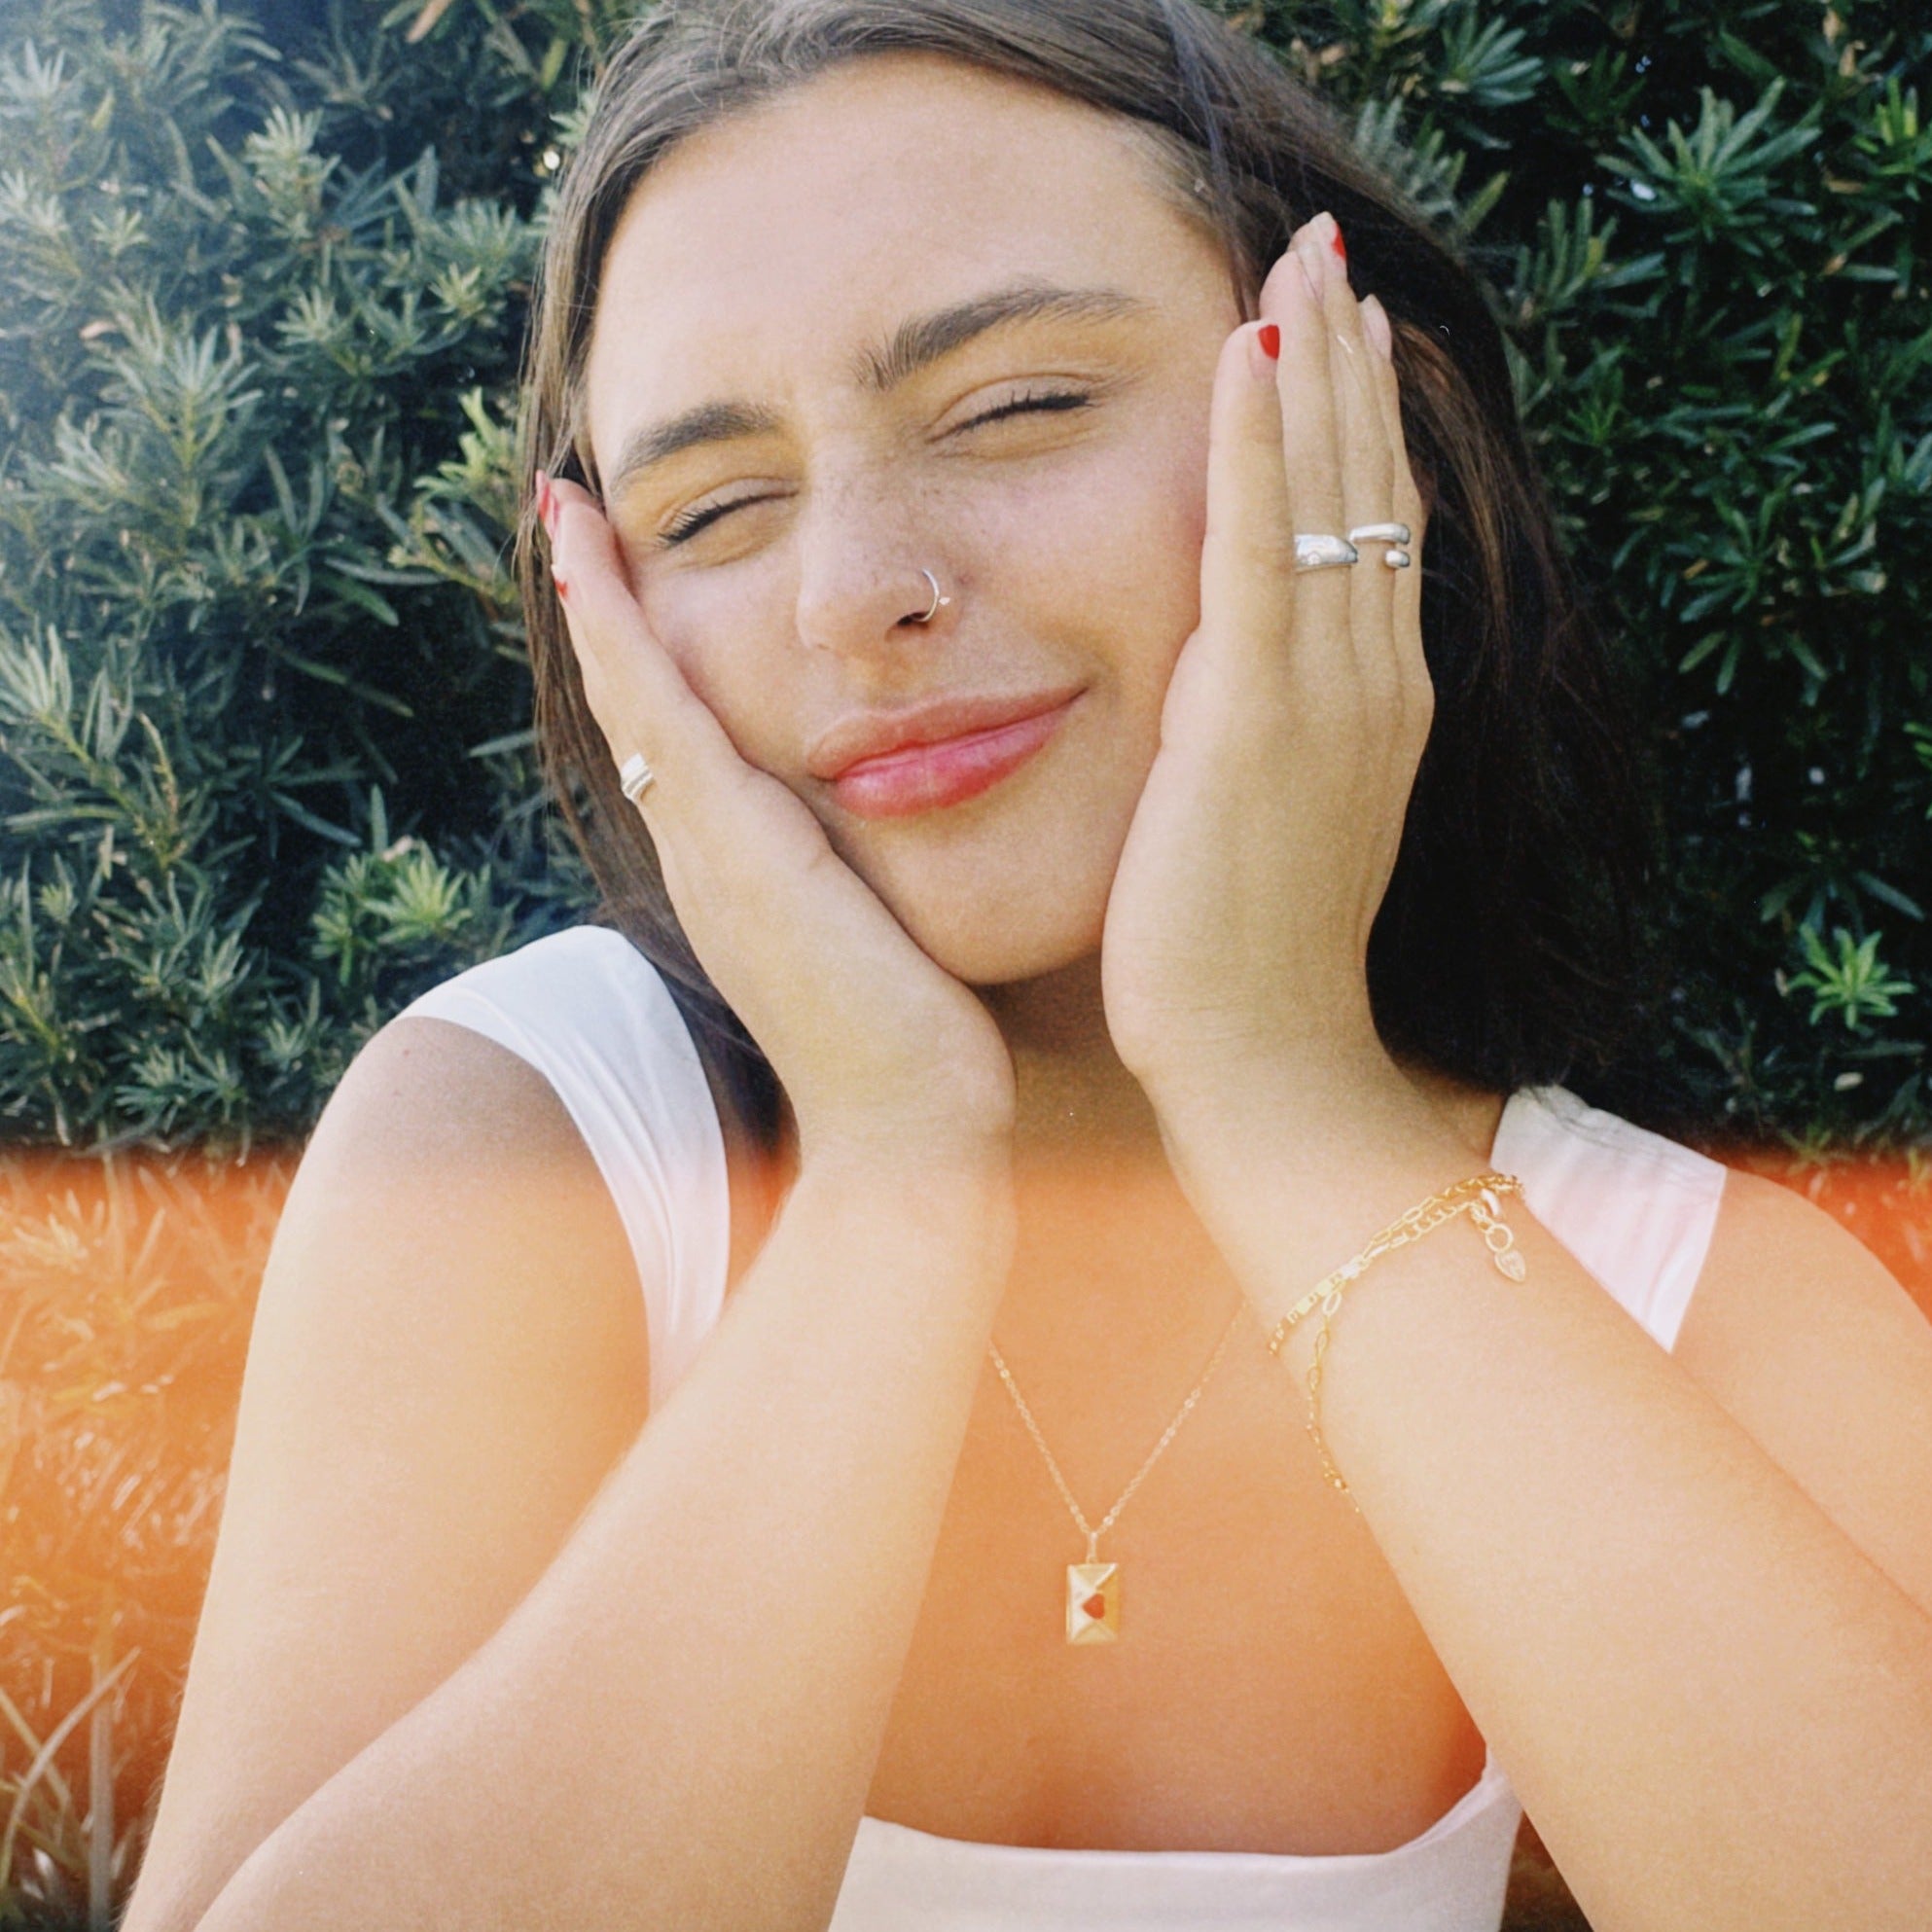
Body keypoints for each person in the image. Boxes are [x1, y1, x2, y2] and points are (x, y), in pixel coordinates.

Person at [124, 3, 1932, 1929]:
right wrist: (898, 1180)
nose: (856, 593)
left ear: (1353, 435)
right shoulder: (532, 1151)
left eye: (1016, 406)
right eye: (715, 508)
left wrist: (1279, 1087)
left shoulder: (1696, 1300)